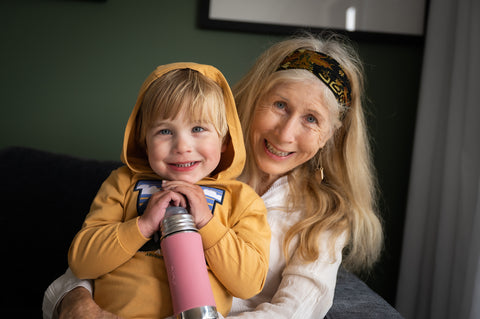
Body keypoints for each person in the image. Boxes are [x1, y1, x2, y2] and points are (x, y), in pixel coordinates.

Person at [43, 31, 383, 319]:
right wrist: (74, 300)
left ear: (331, 135)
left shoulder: (322, 216)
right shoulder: (170, 173)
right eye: (279, 105)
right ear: (253, 98)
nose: (285, 133)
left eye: (312, 119)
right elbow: (83, 264)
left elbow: (291, 313)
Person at [59, 62, 270, 319]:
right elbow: (82, 263)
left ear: (225, 140)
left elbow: (248, 284)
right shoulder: (123, 183)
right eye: (165, 131)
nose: (182, 146)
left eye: (198, 129)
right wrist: (143, 225)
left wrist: (206, 222)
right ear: (143, 141)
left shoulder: (242, 199)